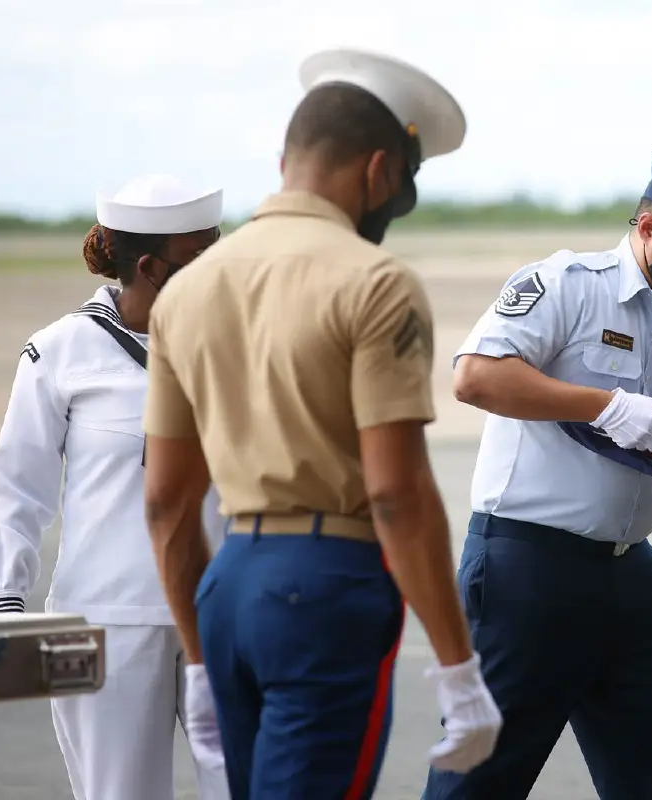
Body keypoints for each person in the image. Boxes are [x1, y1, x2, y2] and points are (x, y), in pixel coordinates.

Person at [140, 48, 503, 799]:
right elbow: (396, 494)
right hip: (325, 588)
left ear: (286, 159)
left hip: (228, 588)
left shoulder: (188, 289)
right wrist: (459, 668)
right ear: (379, 171)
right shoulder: (375, 281)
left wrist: (202, 660)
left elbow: (166, 502)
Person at [425, 143, 652, 800]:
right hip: (527, 569)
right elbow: (475, 377)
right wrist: (606, 406)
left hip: (631, 576)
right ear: (648, 227)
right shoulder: (566, 288)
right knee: (477, 784)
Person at [0, 173, 230, 800]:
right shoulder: (61, 353)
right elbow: (20, 485)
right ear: (149, 267)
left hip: (225, 614)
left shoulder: (240, 344)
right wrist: (5, 599)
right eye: (202, 255)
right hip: (107, 621)